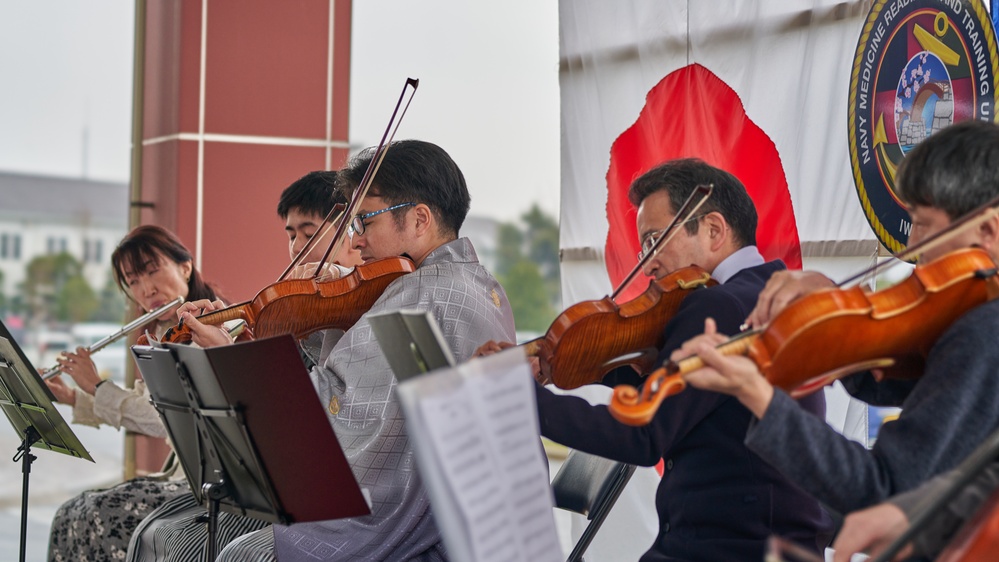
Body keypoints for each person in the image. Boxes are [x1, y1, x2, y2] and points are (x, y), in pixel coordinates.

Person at [181, 140, 517, 561]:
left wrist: (233, 356)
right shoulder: (481, 285)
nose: (355, 243)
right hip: (479, 524)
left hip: (420, 531)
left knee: (240, 554)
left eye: (364, 222)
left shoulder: (419, 294)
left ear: (418, 219)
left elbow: (334, 411)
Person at [481, 159, 832, 560]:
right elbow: (691, 397)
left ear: (714, 230)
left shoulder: (720, 304)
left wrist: (520, 395)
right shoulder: (768, 293)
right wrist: (578, 360)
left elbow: (643, 435)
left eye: (653, 241)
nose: (647, 265)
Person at [677, 120, 999, 522]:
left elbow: (887, 491)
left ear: (987, 230)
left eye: (923, 225)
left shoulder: (984, 331)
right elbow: (893, 381)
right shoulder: (974, 315)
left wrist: (757, 394)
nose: (913, 245)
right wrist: (831, 305)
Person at [124, 171, 364, 562]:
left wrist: (230, 352)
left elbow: (297, 406)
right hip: (259, 473)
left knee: (182, 542)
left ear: (349, 233)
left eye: (309, 233)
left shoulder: (357, 306)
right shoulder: (303, 305)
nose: (297, 248)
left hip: (303, 484)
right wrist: (231, 334)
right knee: (156, 532)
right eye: (291, 236)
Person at [45, 225, 226, 562]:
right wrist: (74, 397)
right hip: (179, 475)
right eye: (133, 281)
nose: (147, 289)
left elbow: (166, 420)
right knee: (68, 515)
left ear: (185, 266)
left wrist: (97, 387)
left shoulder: (217, 326)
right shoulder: (161, 331)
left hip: (207, 482)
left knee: (98, 512)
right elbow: (146, 407)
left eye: (152, 270)